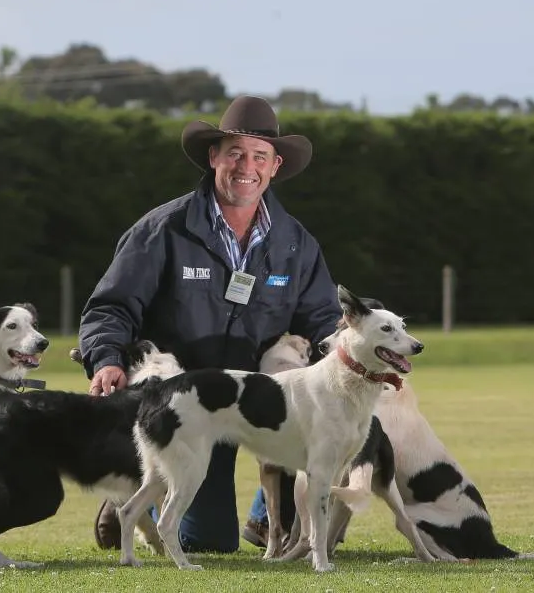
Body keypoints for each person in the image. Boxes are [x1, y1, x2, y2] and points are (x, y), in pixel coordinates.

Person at [76, 95, 342, 554]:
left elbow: (322, 321)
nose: (247, 166)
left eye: (259, 156)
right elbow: (111, 307)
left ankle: (264, 519)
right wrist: (105, 360)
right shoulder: (162, 229)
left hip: (260, 405)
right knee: (208, 542)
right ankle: (136, 492)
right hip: (185, 409)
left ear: (275, 166)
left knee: (326, 464)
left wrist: (357, 364)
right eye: (235, 152)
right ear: (213, 156)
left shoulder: (296, 242)